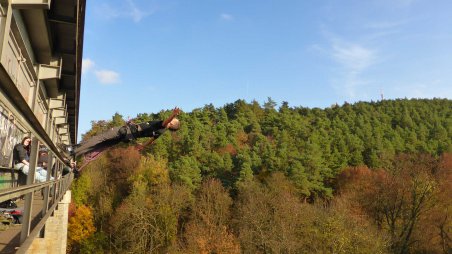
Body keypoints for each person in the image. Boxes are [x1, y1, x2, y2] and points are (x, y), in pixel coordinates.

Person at [74, 107, 181, 157]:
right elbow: (152, 141)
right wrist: (143, 146)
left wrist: (174, 114)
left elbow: (167, 121)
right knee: (100, 145)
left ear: (171, 123)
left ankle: (72, 151)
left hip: (125, 131)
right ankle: (75, 151)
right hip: (126, 137)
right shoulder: (161, 132)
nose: (169, 120)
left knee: (99, 138)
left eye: (172, 121)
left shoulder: (162, 125)